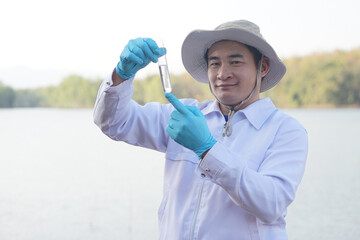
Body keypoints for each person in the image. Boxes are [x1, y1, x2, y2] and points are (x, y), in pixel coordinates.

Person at [93, 20, 308, 240]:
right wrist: (121, 75)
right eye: (215, 64)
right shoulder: (185, 114)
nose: (223, 73)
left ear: (262, 67)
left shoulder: (285, 131)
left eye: (235, 62)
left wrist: (207, 149)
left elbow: (270, 203)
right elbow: (112, 122)